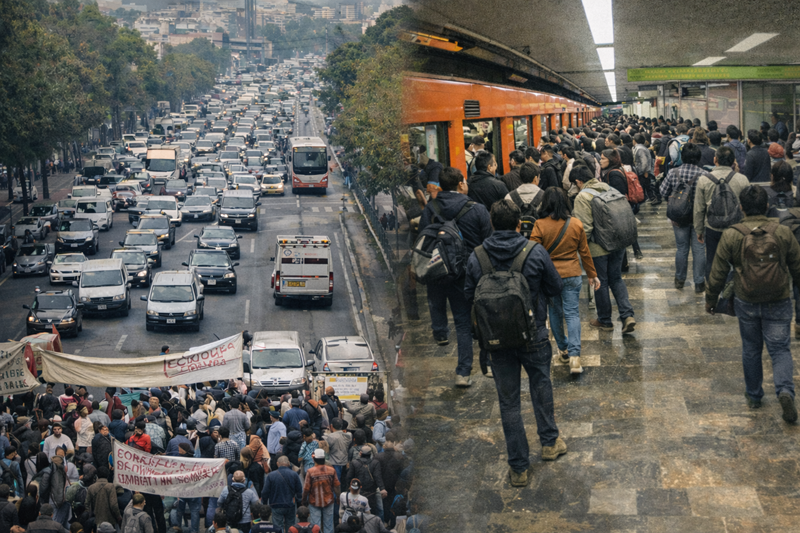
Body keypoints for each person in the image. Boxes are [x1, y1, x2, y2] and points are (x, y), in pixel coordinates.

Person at [463, 200, 565, 487]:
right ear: (519, 224)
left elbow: (468, 296)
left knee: (508, 402)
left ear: (492, 224)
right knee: (541, 386)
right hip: (534, 335)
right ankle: (549, 443)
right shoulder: (535, 251)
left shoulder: (477, 257)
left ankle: (519, 467)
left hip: (496, 341)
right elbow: (555, 287)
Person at [706, 185, 800, 423]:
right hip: (778, 299)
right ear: (767, 206)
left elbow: (717, 272)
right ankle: (785, 391)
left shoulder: (732, 234)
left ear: (741, 208)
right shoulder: (783, 232)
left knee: (751, 348)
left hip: (746, 299)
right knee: (780, 349)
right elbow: (797, 267)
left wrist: (711, 300)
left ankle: (755, 395)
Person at [418, 167, 492, 387]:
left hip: (437, 269)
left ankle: (440, 331)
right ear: (460, 184)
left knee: (436, 301)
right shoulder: (477, 209)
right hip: (465, 272)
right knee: (462, 322)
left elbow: (422, 238)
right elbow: (487, 242)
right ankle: (463, 372)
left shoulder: (431, 208)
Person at [530, 187, 599, 374]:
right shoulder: (576, 224)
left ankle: (564, 350)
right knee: (572, 313)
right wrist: (592, 274)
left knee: (554, 312)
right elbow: (584, 252)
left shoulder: (539, 225)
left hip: (550, 277)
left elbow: (534, 253)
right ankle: (575, 357)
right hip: (572, 274)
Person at [570, 164, 636, 334]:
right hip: (618, 242)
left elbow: (585, 229)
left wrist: (579, 249)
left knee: (600, 282)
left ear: (578, 181)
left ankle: (605, 320)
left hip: (598, 247)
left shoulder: (582, 197)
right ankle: (627, 315)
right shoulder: (608, 188)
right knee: (616, 278)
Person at [693, 146, 750, 282]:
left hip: (713, 227)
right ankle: (735, 288)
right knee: (737, 261)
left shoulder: (704, 179)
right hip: (736, 228)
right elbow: (748, 205)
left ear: (715, 160)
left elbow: (699, 208)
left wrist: (699, 230)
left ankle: (712, 288)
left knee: (712, 260)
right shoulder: (742, 179)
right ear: (733, 161)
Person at [659, 142, 707, 292]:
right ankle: (699, 282)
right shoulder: (704, 175)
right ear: (698, 158)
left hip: (679, 217)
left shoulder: (673, 172)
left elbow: (662, 191)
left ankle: (680, 279)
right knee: (699, 249)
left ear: (682, 157)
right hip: (698, 218)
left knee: (681, 248)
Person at [261, 456, 303, 533]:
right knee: (290, 526)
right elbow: (299, 491)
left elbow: (265, 492)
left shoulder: (271, 475)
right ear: (288, 463)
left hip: (275, 504)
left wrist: (264, 503)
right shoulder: (294, 474)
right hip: (290, 504)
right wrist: (299, 504)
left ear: (277, 464)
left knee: (277, 527)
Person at [301, 449, 339, 533]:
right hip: (329, 500)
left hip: (314, 502)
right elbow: (336, 486)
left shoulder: (310, 471)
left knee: (315, 525)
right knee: (328, 525)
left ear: (314, 459)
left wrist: (303, 501)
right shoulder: (332, 470)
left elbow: (306, 489)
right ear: (324, 458)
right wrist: (338, 497)